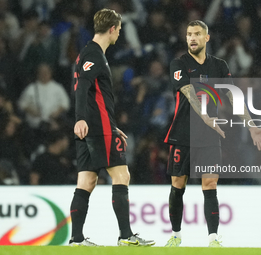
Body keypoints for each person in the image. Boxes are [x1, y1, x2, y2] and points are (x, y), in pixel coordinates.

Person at [164, 20, 261, 247]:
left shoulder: (219, 65)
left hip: (210, 135)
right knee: (177, 185)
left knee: (210, 185)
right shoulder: (178, 63)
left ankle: (213, 238)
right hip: (183, 133)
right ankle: (175, 235)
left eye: (197, 34)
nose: (192, 38)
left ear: (206, 38)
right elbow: (188, 90)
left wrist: (251, 125)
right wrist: (204, 116)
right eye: (189, 34)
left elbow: (233, 96)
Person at [69, 8, 155, 247]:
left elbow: (94, 94)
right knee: (121, 175)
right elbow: (83, 88)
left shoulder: (89, 53)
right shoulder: (93, 54)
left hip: (94, 125)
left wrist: (111, 126)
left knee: (87, 181)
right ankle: (126, 236)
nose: (119, 34)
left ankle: (76, 239)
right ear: (112, 29)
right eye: (118, 29)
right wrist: (81, 118)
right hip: (95, 126)